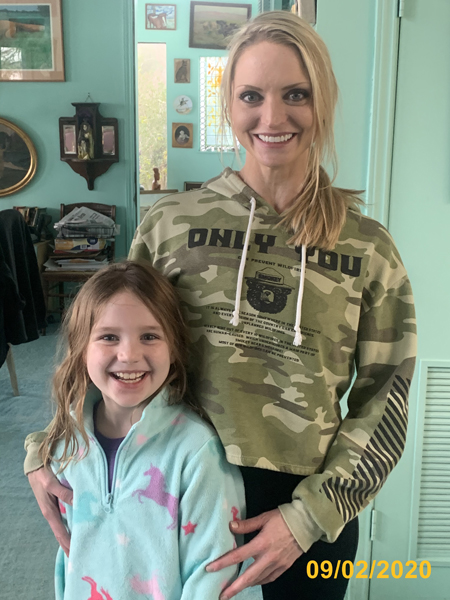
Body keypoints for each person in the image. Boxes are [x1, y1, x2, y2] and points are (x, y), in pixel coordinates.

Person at [25, 11, 416, 600]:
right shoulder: (170, 225)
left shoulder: (367, 247)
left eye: (296, 94)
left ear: (324, 101)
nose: (272, 117)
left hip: (306, 521)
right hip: (171, 495)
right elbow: (108, 346)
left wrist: (310, 518)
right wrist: (46, 446)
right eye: (251, 96)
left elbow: (386, 399)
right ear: (229, 105)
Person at [37, 261, 245, 600]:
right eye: (108, 337)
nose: (129, 354)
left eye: (149, 336)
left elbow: (213, 572)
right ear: (81, 348)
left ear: (174, 347)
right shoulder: (67, 441)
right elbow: (70, 556)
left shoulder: (196, 451)